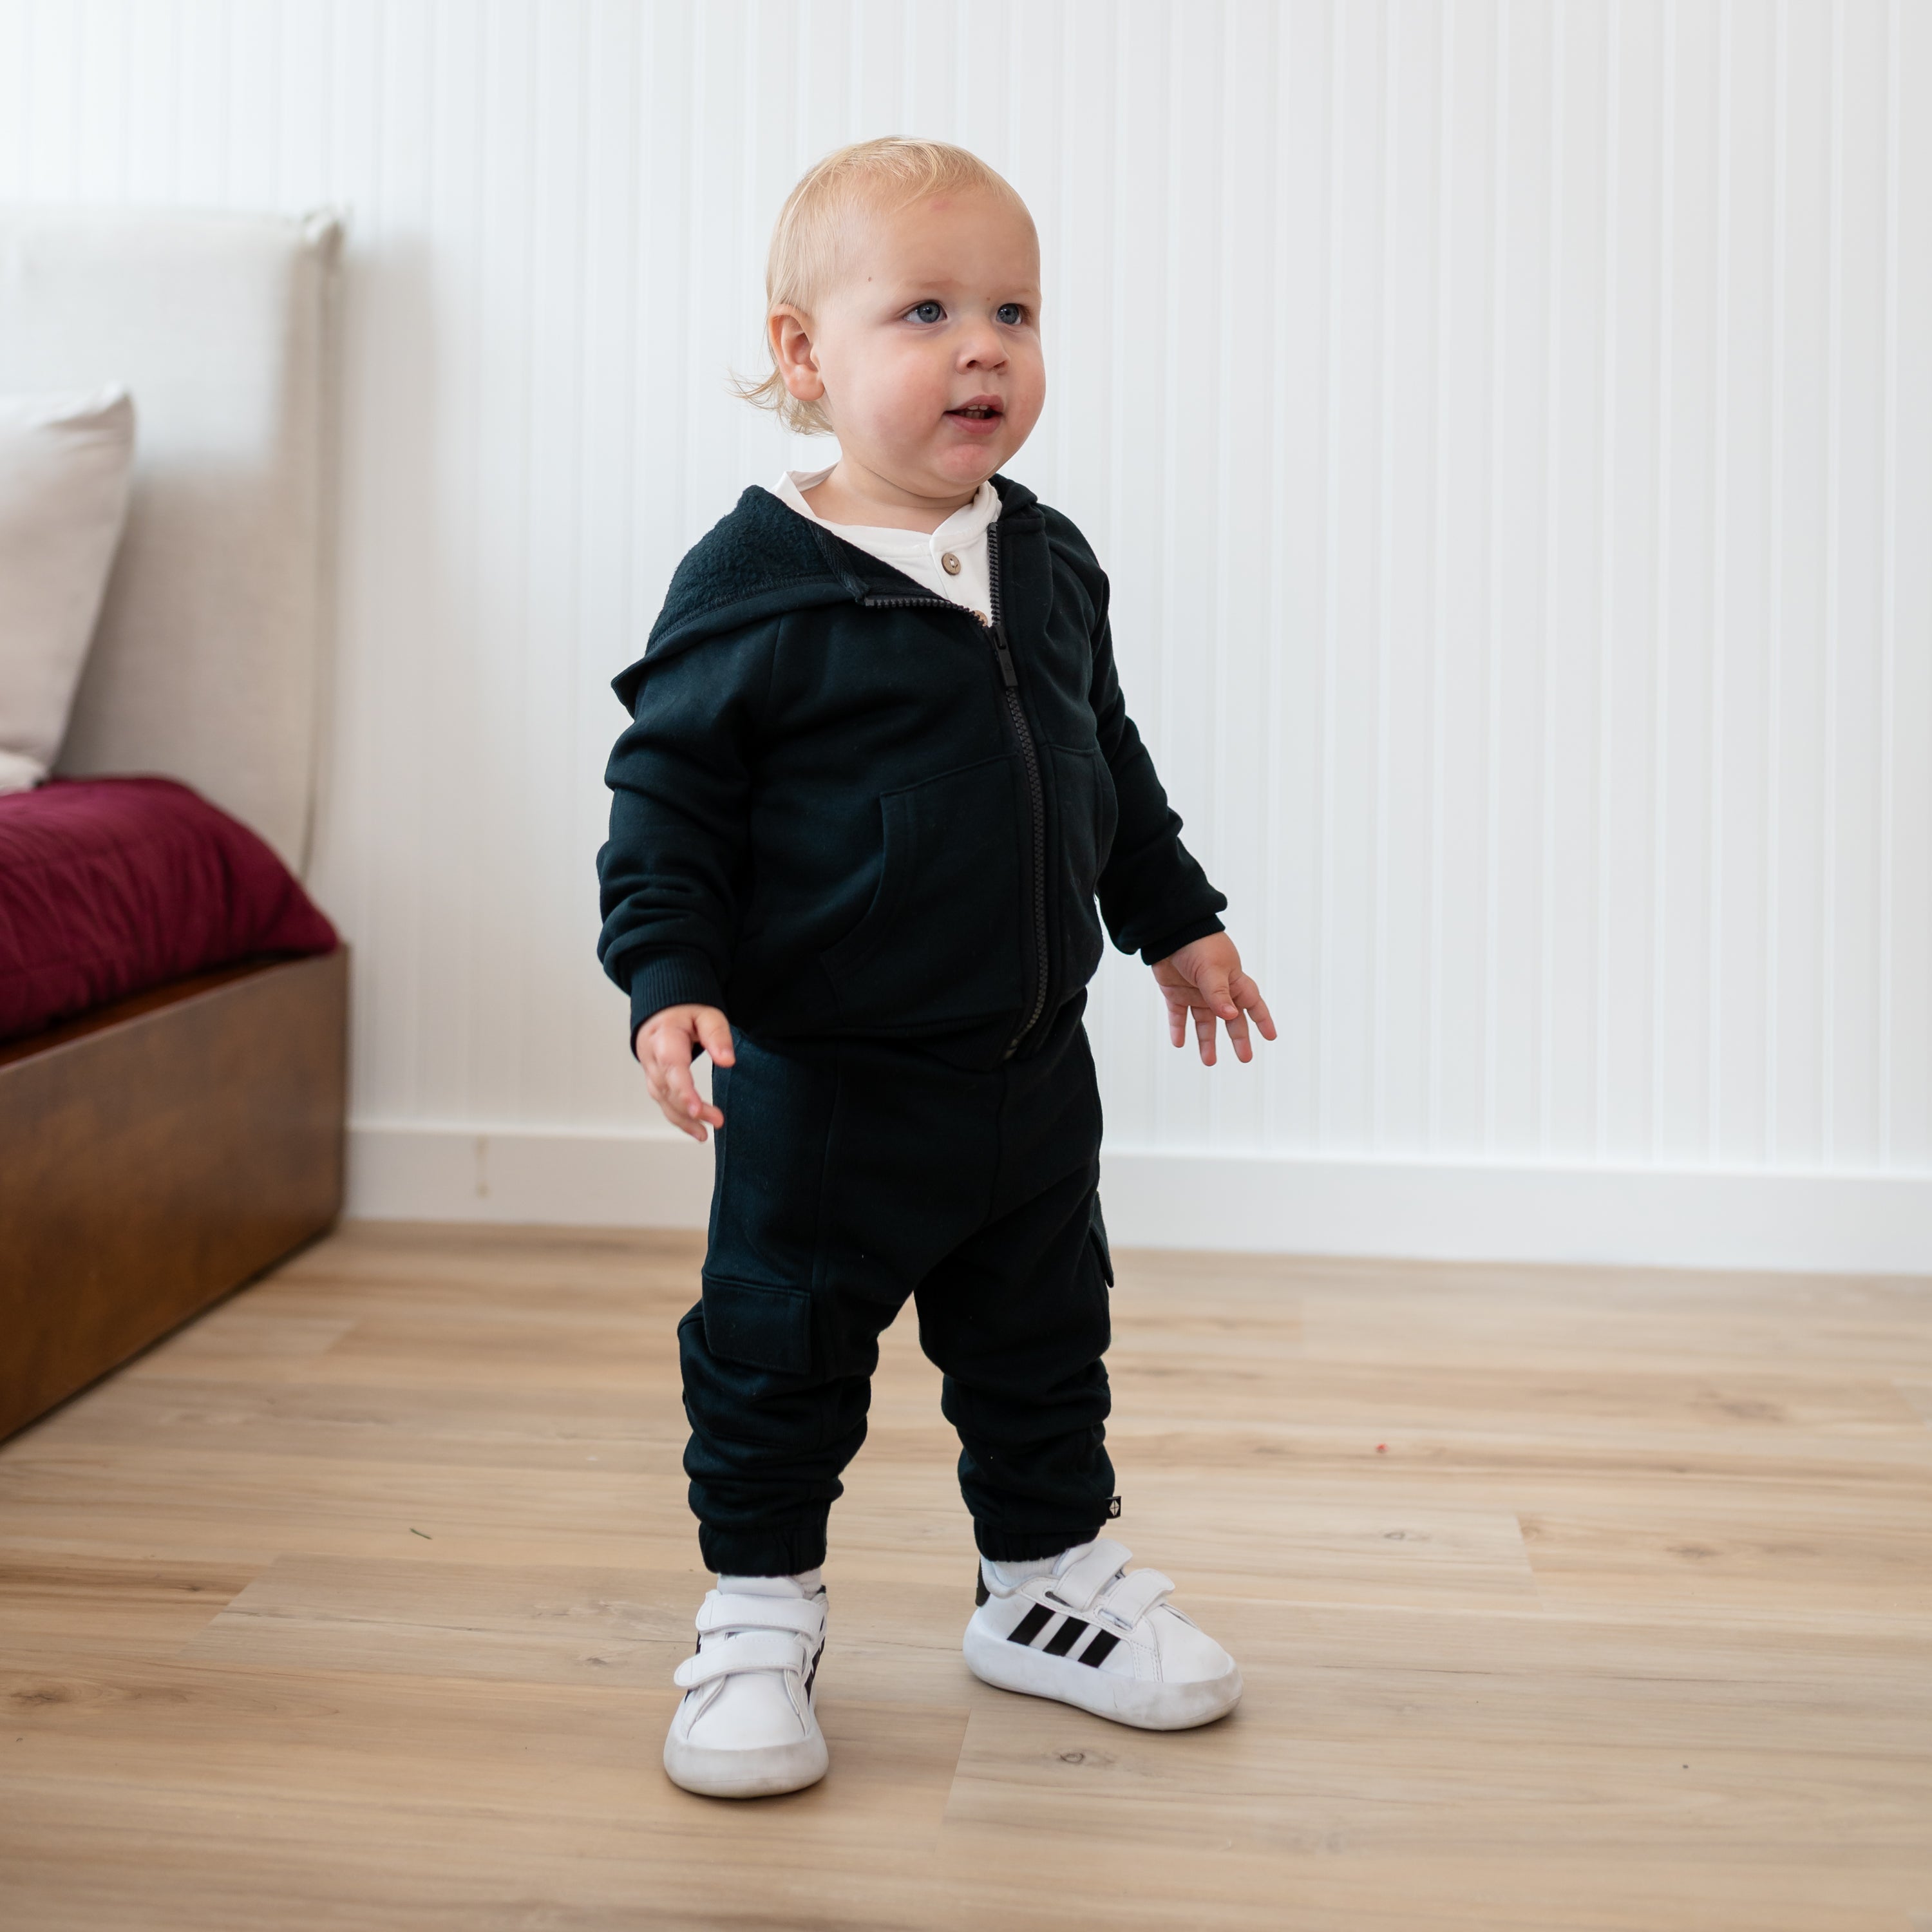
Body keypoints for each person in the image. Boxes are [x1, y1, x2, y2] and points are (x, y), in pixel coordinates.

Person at [597, 137, 1275, 1800]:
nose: (984, 346)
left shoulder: (1044, 557)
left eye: (1013, 310)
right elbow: (666, 803)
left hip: (1033, 1074)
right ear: (802, 355)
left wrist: (1173, 917)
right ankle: (758, 1617)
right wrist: (669, 976)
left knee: (1046, 1343)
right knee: (780, 1353)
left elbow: (1098, 755)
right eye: (925, 310)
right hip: (828, 1085)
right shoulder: (755, 587)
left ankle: (1043, 1589)